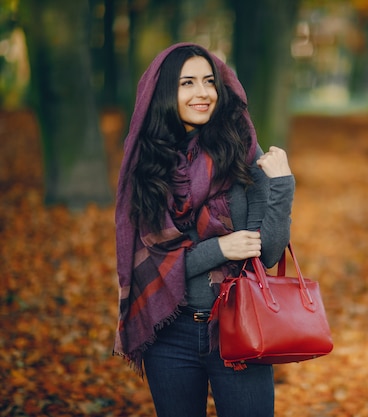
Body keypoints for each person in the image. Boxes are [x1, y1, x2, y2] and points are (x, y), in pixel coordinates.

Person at [113, 43, 295, 417]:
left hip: (240, 325)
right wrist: (221, 249)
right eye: (188, 83)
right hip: (169, 332)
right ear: (165, 92)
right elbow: (151, 262)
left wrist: (282, 186)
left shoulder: (241, 149)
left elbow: (270, 251)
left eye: (209, 82)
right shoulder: (146, 165)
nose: (202, 93)